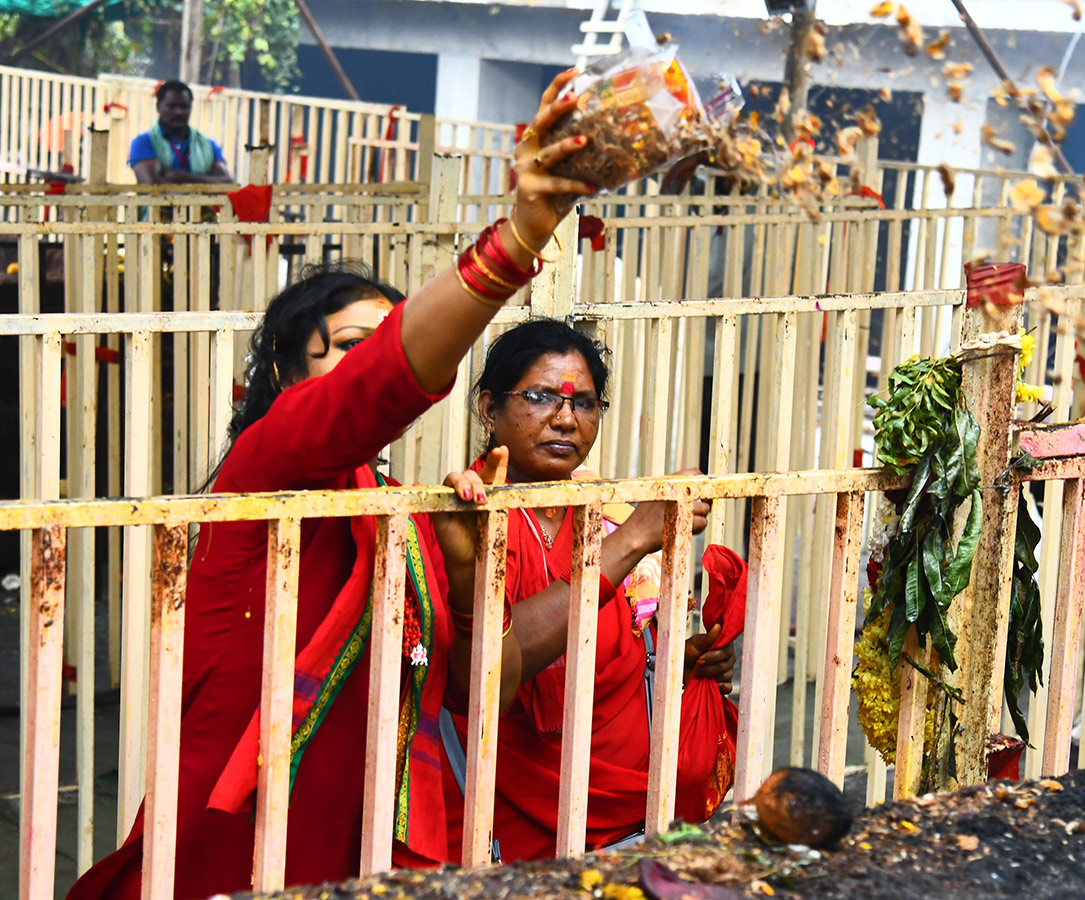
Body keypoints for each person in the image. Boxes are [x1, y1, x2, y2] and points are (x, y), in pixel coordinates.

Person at [69, 69, 596, 900]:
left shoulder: (394, 503)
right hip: (240, 838)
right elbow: (369, 393)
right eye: (353, 342)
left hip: (364, 832)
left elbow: (463, 684)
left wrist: (465, 568)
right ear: (287, 369)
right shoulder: (266, 467)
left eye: (387, 339)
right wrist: (516, 242)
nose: (379, 358)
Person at [432, 319, 742, 861]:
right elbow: (495, 666)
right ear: (489, 409)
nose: (565, 418)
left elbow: (622, 649)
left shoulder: (611, 509)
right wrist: (633, 540)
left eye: (585, 404)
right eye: (539, 397)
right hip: (508, 814)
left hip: (632, 809)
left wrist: (682, 663)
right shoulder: (460, 519)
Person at [128, 80, 234, 184]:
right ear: (158, 106)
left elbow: (227, 182)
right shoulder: (143, 143)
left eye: (184, 107)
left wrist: (178, 176)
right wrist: (205, 181)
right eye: (172, 106)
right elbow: (152, 184)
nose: (179, 112)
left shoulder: (209, 145)